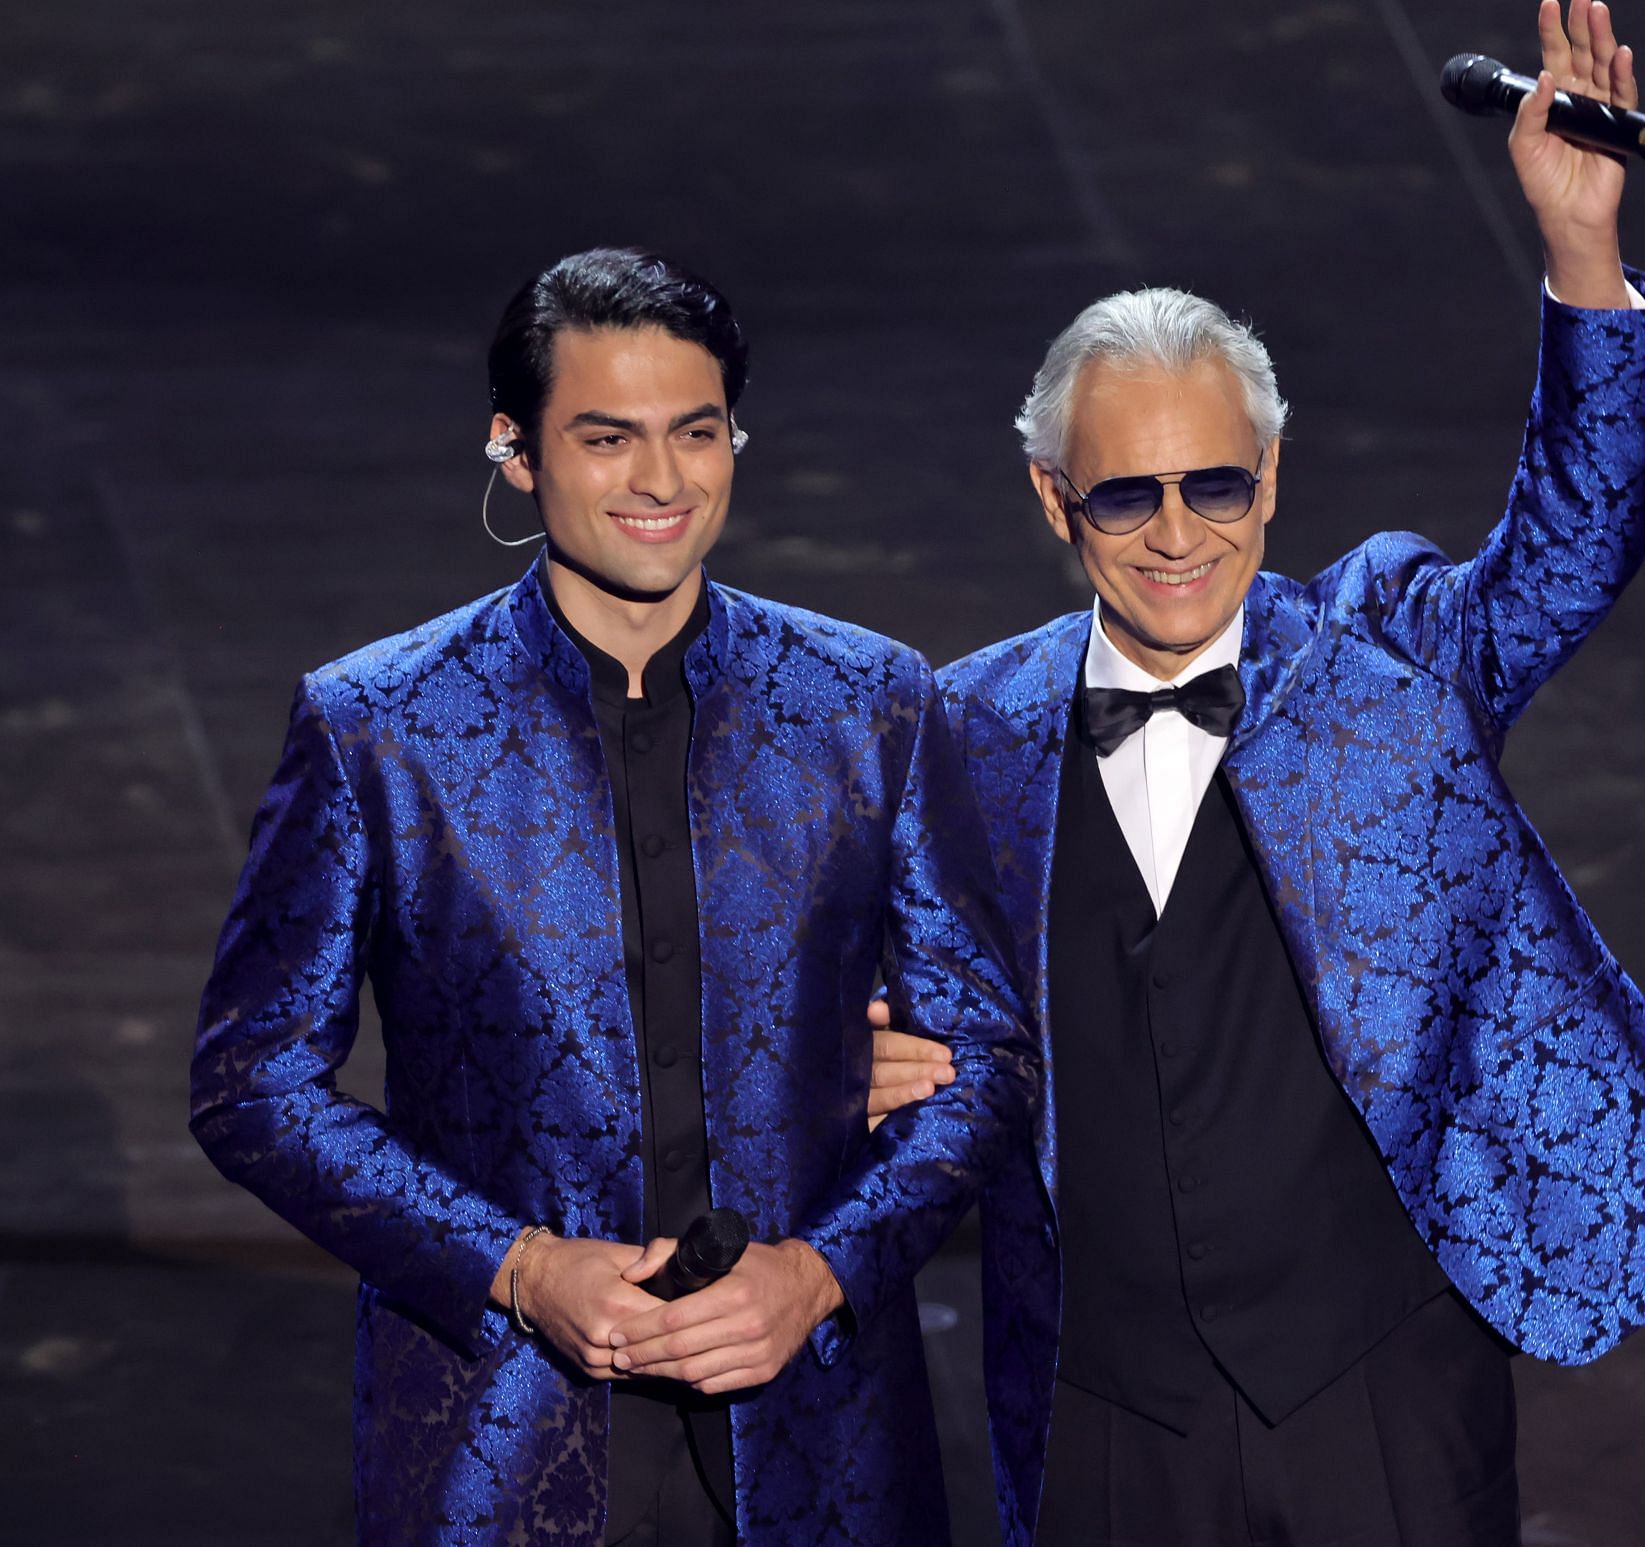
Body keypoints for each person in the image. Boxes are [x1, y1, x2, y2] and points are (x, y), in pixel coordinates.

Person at [868, 4, 1645, 1542]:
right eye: (1126, 493)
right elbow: (909, 1022)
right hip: (1100, 1408)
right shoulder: (957, 731)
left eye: (1216, 482)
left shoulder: (1393, 661)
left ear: (1272, 476)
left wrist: (1579, 252)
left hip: (1382, 1390)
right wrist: (865, 1064)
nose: (1175, 534)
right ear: (1052, 500)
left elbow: (1571, 549)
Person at [190, 247, 1037, 1545]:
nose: (660, 482)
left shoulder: (870, 706)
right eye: (607, 437)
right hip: (497, 1439)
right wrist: (517, 1267)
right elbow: (250, 1081)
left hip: (816, 1443)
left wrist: (819, 1277)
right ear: (515, 452)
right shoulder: (382, 729)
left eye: (696, 433)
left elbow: (982, 1058)